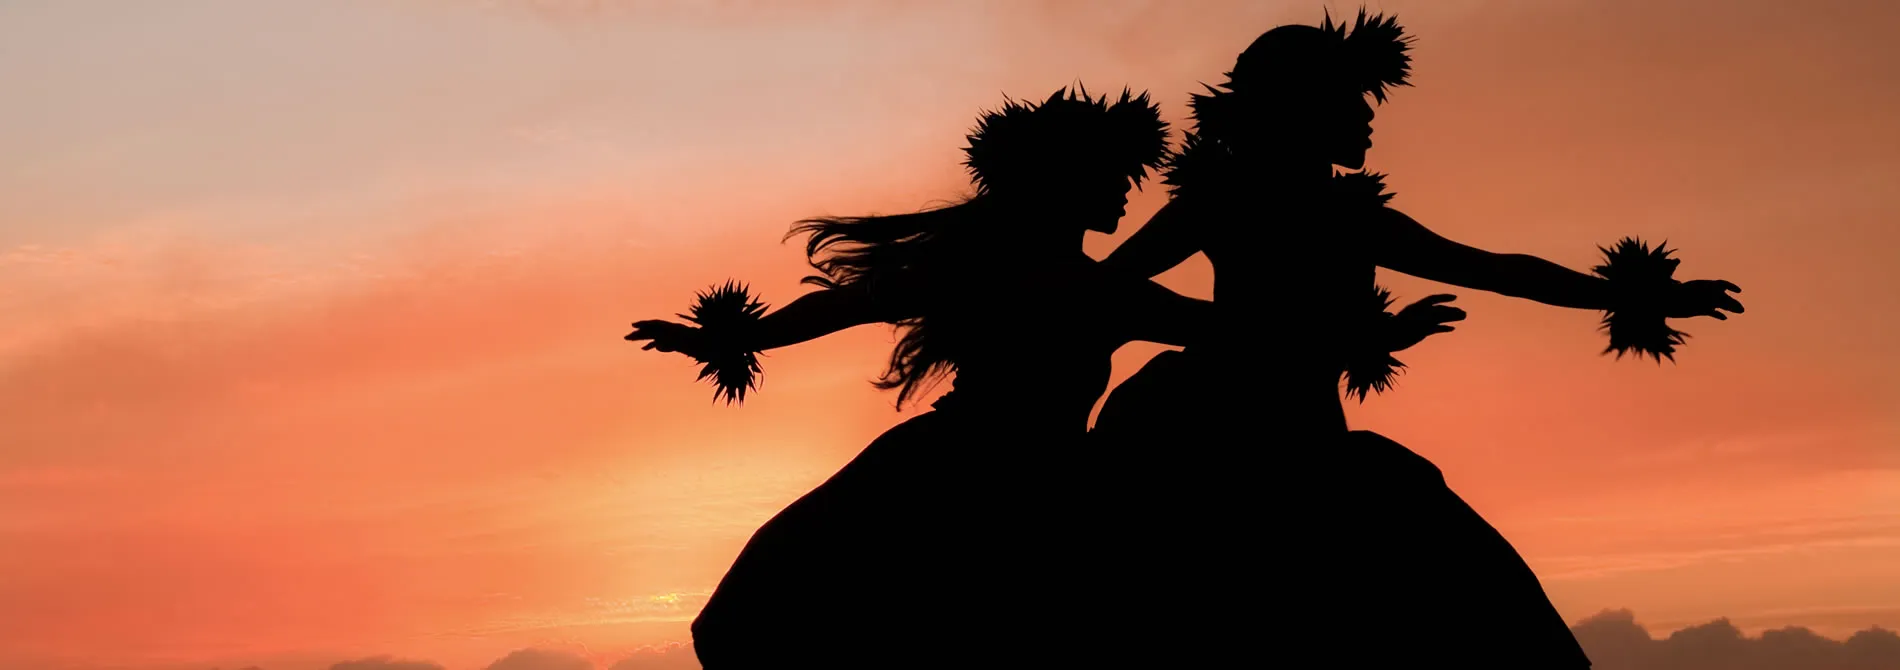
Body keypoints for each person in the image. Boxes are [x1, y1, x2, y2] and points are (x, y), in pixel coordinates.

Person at [1089, 9, 1745, 667]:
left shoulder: (1352, 219)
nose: (1369, 117)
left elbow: (1496, 270)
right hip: (1223, 447)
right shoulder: (1225, 200)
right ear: (1305, 106)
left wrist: (1637, 294)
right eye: (1353, 100)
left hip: (1313, 444)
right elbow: (1102, 288)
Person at [628, 85, 1229, 667]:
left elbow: (843, 305)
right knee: (751, 616)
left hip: (990, 479)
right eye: (1115, 172)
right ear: (1065, 179)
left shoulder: (1059, 283)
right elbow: (843, 305)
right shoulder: (1086, 289)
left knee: (754, 616)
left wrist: (730, 339)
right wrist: (731, 337)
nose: (1129, 189)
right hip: (988, 474)